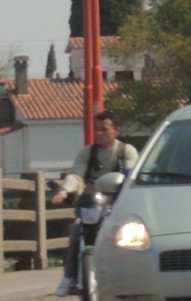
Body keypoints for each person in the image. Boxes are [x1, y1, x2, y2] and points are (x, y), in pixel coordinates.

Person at [52, 110, 139, 297]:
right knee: (76, 230)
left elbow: (131, 176)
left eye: (104, 129)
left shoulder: (126, 151)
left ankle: (133, 275)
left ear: (117, 130)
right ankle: (69, 277)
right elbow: (76, 173)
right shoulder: (88, 152)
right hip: (90, 204)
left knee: (129, 234)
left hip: (116, 206)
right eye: (97, 129)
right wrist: (64, 191)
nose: (99, 133)